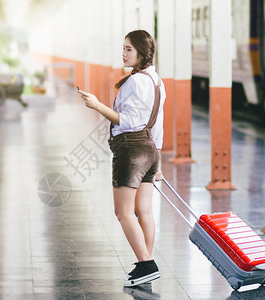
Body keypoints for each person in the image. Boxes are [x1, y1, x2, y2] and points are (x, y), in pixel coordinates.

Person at [77, 30, 165, 287]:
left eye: (128, 49)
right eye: (123, 48)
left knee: (123, 212)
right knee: (143, 211)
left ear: (142, 52)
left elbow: (130, 122)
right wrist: (157, 158)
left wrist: (96, 105)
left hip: (131, 149)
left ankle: (146, 264)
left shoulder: (137, 82)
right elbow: (155, 122)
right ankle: (144, 264)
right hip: (150, 149)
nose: (124, 53)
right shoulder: (156, 80)